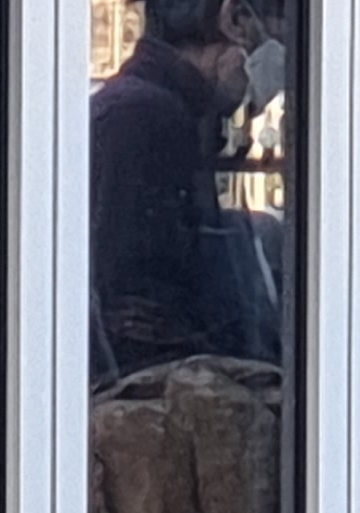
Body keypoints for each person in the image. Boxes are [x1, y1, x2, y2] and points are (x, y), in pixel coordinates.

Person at [91, 0, 281, 375]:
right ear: (234, 21)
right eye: (276, 35)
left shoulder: (152, 108)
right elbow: (137, 309)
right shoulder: (147, 118)